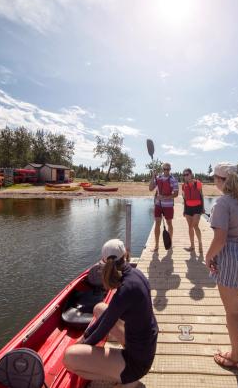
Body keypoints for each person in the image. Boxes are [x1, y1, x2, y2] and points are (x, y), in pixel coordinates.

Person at [63, 239, 158, 387]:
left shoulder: (124, 291)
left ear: (104, 262)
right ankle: (118, 371)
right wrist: (86, 336)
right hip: (146, 348)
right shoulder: (136, 274)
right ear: (125, 255)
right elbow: (107, 316)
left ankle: (126, 378)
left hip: (136, 364)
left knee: (69, 357)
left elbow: (102, 330)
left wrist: (84, 345)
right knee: (99, 308)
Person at [204, 162, 238, 370]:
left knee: (231, 312)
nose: (213, 181)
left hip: (232, 259)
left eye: (214, 178)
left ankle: (236, 357)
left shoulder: (222, 203)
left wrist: (208, 257)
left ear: (221, 180)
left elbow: (220, 238)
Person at [148, 162, 179, 251]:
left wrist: (165, 197)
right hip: (158, 205)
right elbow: (150, 188)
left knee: (169, 223)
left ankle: (170, 243)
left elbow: (176, 194)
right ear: (162, 169)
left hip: (168, 206)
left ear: (170, 169)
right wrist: (153, 177)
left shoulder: (173, 179)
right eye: (164, 169)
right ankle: (156, 245)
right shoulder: (158, 178)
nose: (166, 171)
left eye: (168, 169)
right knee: (157, 223)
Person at [181, 168, 204, 252]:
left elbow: (202, 196)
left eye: (187, 174)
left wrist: (203, 208)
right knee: (190, 227)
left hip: (197, 207)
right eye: (184, 175)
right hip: (188, 208)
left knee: (194, 226)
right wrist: (184, 210)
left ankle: (200, 243)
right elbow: (184, 199)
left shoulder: (198, 183)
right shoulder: (183, 186)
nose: (185, 176)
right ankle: (192, 246)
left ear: (191, 174)